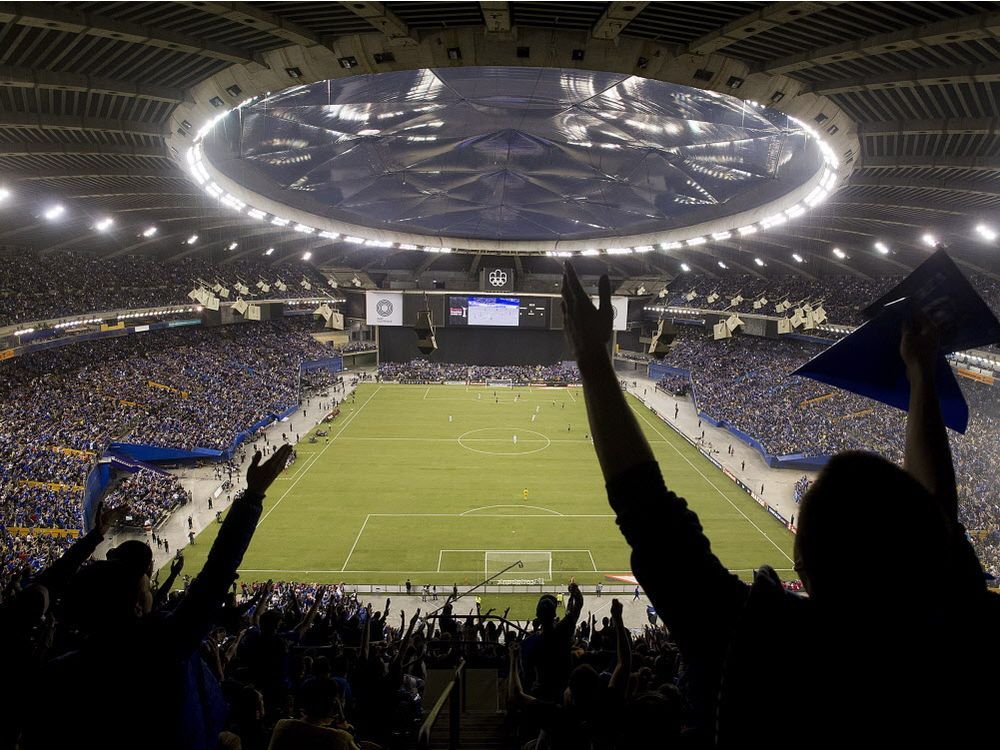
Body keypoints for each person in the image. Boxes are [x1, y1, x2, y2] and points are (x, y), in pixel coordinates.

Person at [560, 261, 1000, 746]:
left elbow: (650, 519)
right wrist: (921, 373)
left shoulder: (765, 647)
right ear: (924, 549)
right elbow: (937, 518)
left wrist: (591, 359)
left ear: (803, 567)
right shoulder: (953, 639)